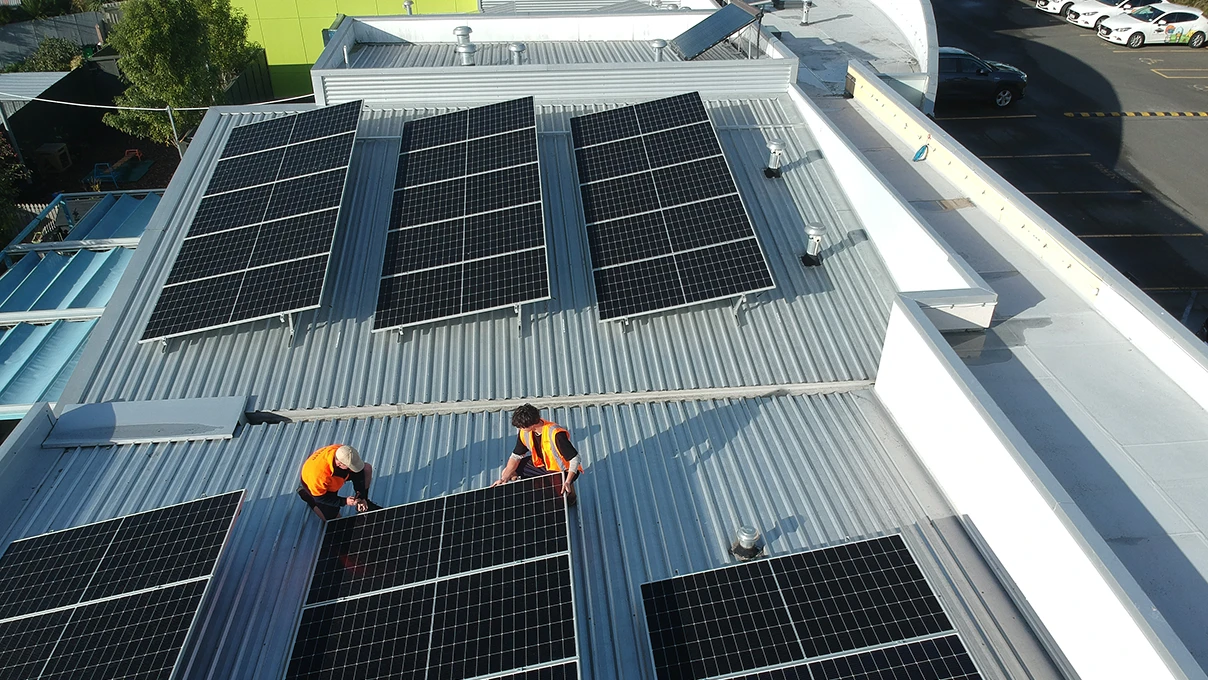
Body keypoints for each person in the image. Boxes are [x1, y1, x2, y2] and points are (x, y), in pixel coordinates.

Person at [492, 404, 582, 503]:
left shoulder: (555, 434)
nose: (520, 429)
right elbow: (516, 456)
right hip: (541, 464)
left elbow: (575, 459)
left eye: (521, 427)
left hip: (562, 469)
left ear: (532, 424)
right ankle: (533, 486)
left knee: (560, 497)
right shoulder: (525, 432)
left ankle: (570, 495)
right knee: (509, 471)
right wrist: (504, 479)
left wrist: (568, 481)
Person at [298, 444, 382, 521]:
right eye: (350, 467)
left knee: (366, 469)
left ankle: (365, 502)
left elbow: (358, 472)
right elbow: (321, 498)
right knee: (333, 519)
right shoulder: (319, 476)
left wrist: (361, 497)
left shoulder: (344, 452)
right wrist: (345, 501)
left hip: (335, 476)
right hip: (315, 485)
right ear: (339, 464)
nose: (352, 469)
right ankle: (308, 498)